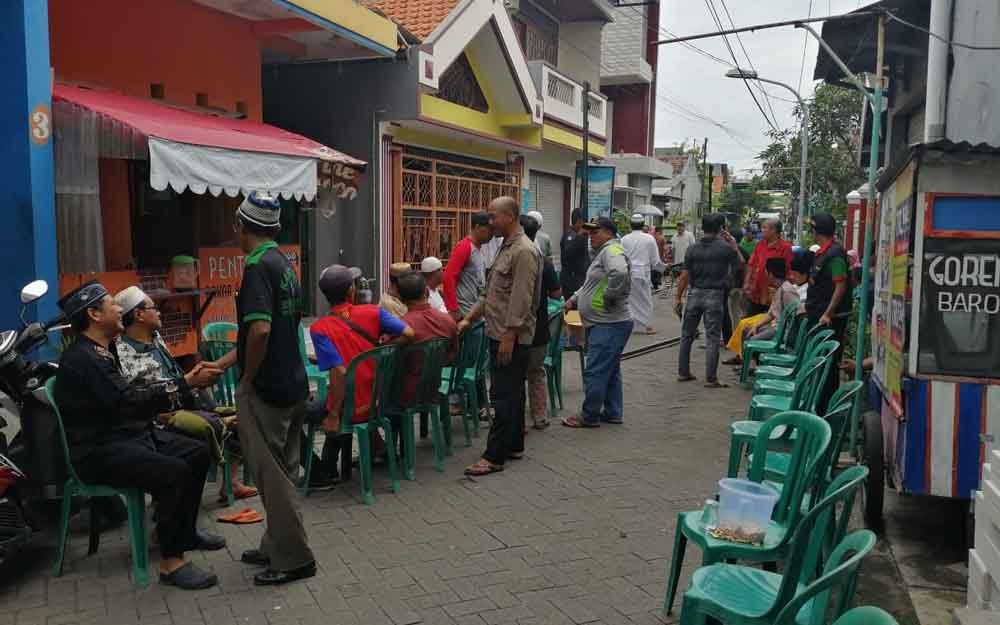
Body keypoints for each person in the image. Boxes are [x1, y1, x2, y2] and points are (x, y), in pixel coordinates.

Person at [54, 281, 225, 590]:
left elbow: (131, 397)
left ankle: (182, 532)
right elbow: (129, 402)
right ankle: (172, 564)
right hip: (99, 452)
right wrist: (184, 383)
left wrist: (183, 385)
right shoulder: (85, 360)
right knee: (173, 472)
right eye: (111, 304)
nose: (120, 309)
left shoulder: (102, 350)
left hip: (127, 437)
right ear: (94, 314)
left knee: (196, 451)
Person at [207, 192, 313, 586]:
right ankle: (273, 544)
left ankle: (294, 558)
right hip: (295, 382)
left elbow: (261, 330)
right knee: (283, 469)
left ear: (241, 226)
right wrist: (223, 364)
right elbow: (278, 327)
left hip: (268, 389)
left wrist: (247, 379)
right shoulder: (282, 262)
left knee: (273, 478)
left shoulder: (255, 266)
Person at [113, 286, 257, 503]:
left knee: (246, 413)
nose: (159, 312)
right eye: (154, 308)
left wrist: (195, 378)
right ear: (138, 314)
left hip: (185, 400)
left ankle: (232, 482)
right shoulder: (122, 352)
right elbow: (138, 396)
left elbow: (174, 375)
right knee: (208, 425)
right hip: (161, 415)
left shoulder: (155, 338)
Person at [458, 197, 540, 476]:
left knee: (502, 394)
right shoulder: (504, 247)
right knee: (513, 393)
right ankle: (514, 444)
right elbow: (490, 293)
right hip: (498, 330)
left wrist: (509, 335)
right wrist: (469, 318)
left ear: (510, 216)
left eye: (494, 216)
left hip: (510, 336)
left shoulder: (524, 251)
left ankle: (493, 456)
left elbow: (521, 298)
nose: (489, 221)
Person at [309, 265, 414, 455]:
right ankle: (376, 447)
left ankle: (323, 471)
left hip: (351, 408)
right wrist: (385, 348)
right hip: (379, 400)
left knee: (304, 411)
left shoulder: (319, 328)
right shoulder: (373, 312)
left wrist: (332, 415)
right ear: (351, 290)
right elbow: (408, 333)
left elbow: (339, 373)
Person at [560, 216, 633, 428]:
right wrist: (574, 299)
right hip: (606, 323)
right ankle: (613, 412)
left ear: (609, 233)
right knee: (610, 369)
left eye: (596, 232)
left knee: (595, 370)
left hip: (609, 324)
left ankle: (589, 415)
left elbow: (619, 272)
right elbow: (591, 284)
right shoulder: (604, 252)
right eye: (590, 233)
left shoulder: (612, 251)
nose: (591, 236)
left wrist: (610, 296)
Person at [675, 213, 743, 388]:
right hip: (715, 294)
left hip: (694, 293)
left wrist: (677, 298)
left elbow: (684, 276)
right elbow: (740, 265)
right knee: (713, 337)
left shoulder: (692, 249)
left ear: (703, 227)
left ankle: (683, 372)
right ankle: (711, 378)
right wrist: (734, 245)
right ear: (721, 228)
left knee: (686, 335)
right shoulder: (725, 249)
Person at [806, 213, 853, 413]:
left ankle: (825, 410)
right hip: (818, 314)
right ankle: (818, 404)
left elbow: (840, 286)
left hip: (829, 320)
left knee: (828, 365)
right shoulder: (824, 253)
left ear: (817, 230)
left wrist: (827, 313)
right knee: (820, 363)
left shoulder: (835, 255)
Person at [520, 214, 562, 431]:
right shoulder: (544, 263)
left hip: (518, 331)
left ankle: (519, 422)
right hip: (539, 329)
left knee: (516, 376)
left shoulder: (516, 258)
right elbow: (557, 294)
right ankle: (540, 416)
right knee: (536, 372)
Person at [398, 271, 459, 406]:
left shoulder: (402, 326)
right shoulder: (447, 321)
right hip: (435, 386)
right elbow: (453, 352)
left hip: (407, 392)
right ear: (426, 291)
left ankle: (398, 428)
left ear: (401, 299)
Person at [723, 258, 799, 364]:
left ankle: (756, 366)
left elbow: (795, 314)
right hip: (775, 327)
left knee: (752, 341)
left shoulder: (787, 291)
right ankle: (746, 363)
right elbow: (772, 313)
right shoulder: (779, 289)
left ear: (770, 274)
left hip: (781, 331)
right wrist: (757, 326)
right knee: (746, 330)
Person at [442, 211, 492, 320]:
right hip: (464, 311)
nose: (491, 234)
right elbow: (448, 276)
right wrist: (453, 308)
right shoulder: (465, 247)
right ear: (478, 227)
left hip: (475, 311)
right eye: (489, 229)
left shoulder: (479, 249)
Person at [621, 214, 665, 335]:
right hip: (642, 274)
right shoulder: (649, 238)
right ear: (642, 224)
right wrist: (663, 268)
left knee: (630, 300)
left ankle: (631, 325)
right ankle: (647, 326)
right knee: (645, 299)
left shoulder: (624, 239)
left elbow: (622, 257)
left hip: (628, 273)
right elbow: (655, 260)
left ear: (630, 224)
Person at [743, 218, 793, 316]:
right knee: (748, 320)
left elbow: (789, 271)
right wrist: (747, 283)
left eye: (764, 228)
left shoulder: (785, 248)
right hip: (756, 291)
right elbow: (751, 264)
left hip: (772, 294)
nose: (762, 230)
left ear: (773, 230)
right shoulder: (760, 244)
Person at [559, 209, 590, 346]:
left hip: (580, 278)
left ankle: (577, 338)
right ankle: (574, 339)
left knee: (579, 309)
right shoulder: (570, 236)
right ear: (578, 221)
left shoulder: (581, 236)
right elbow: (568, 254)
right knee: (573, 309)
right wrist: (579, 237)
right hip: (571, 279)